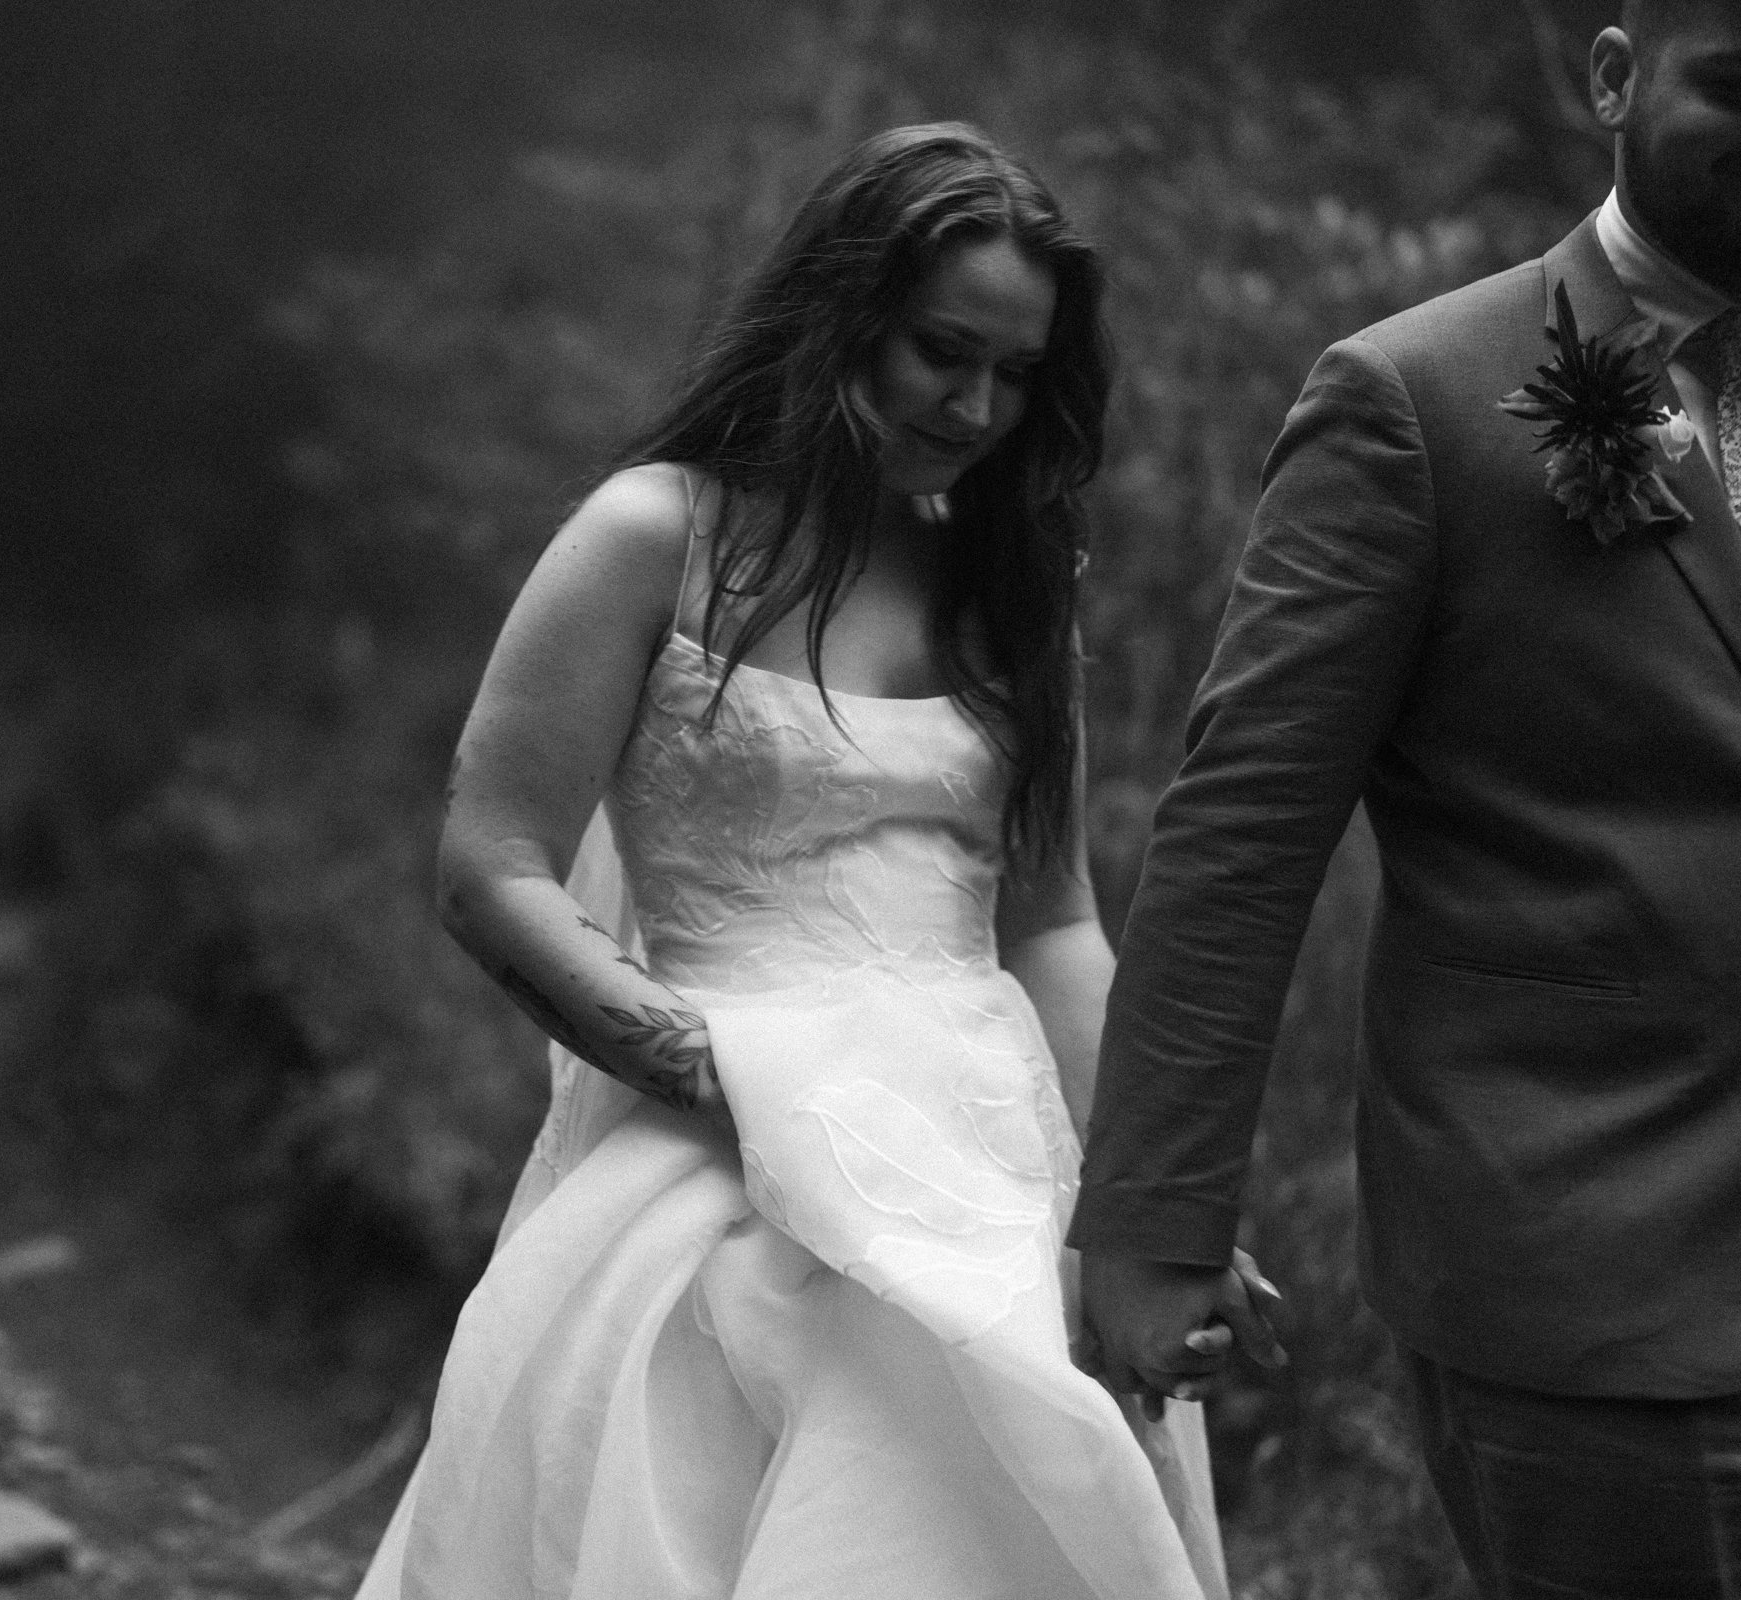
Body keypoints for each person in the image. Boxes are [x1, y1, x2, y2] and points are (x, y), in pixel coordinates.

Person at [352, 123, 1273, 1600]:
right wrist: (716, 1068)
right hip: (714, 1149)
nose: (979, 405)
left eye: (1019, 373)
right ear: (843, 313)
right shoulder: (654, 533)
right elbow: (492, 857)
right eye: (941, 351)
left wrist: (1143, 1201)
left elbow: (1052, 926)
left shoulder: (1012, 588)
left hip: (983, 1161)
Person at [1071, 0, 1741, 1593]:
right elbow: (1243, 834)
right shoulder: (1412, 401)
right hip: (1606, 1268)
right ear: (1613, 76)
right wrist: (1154, 1220)